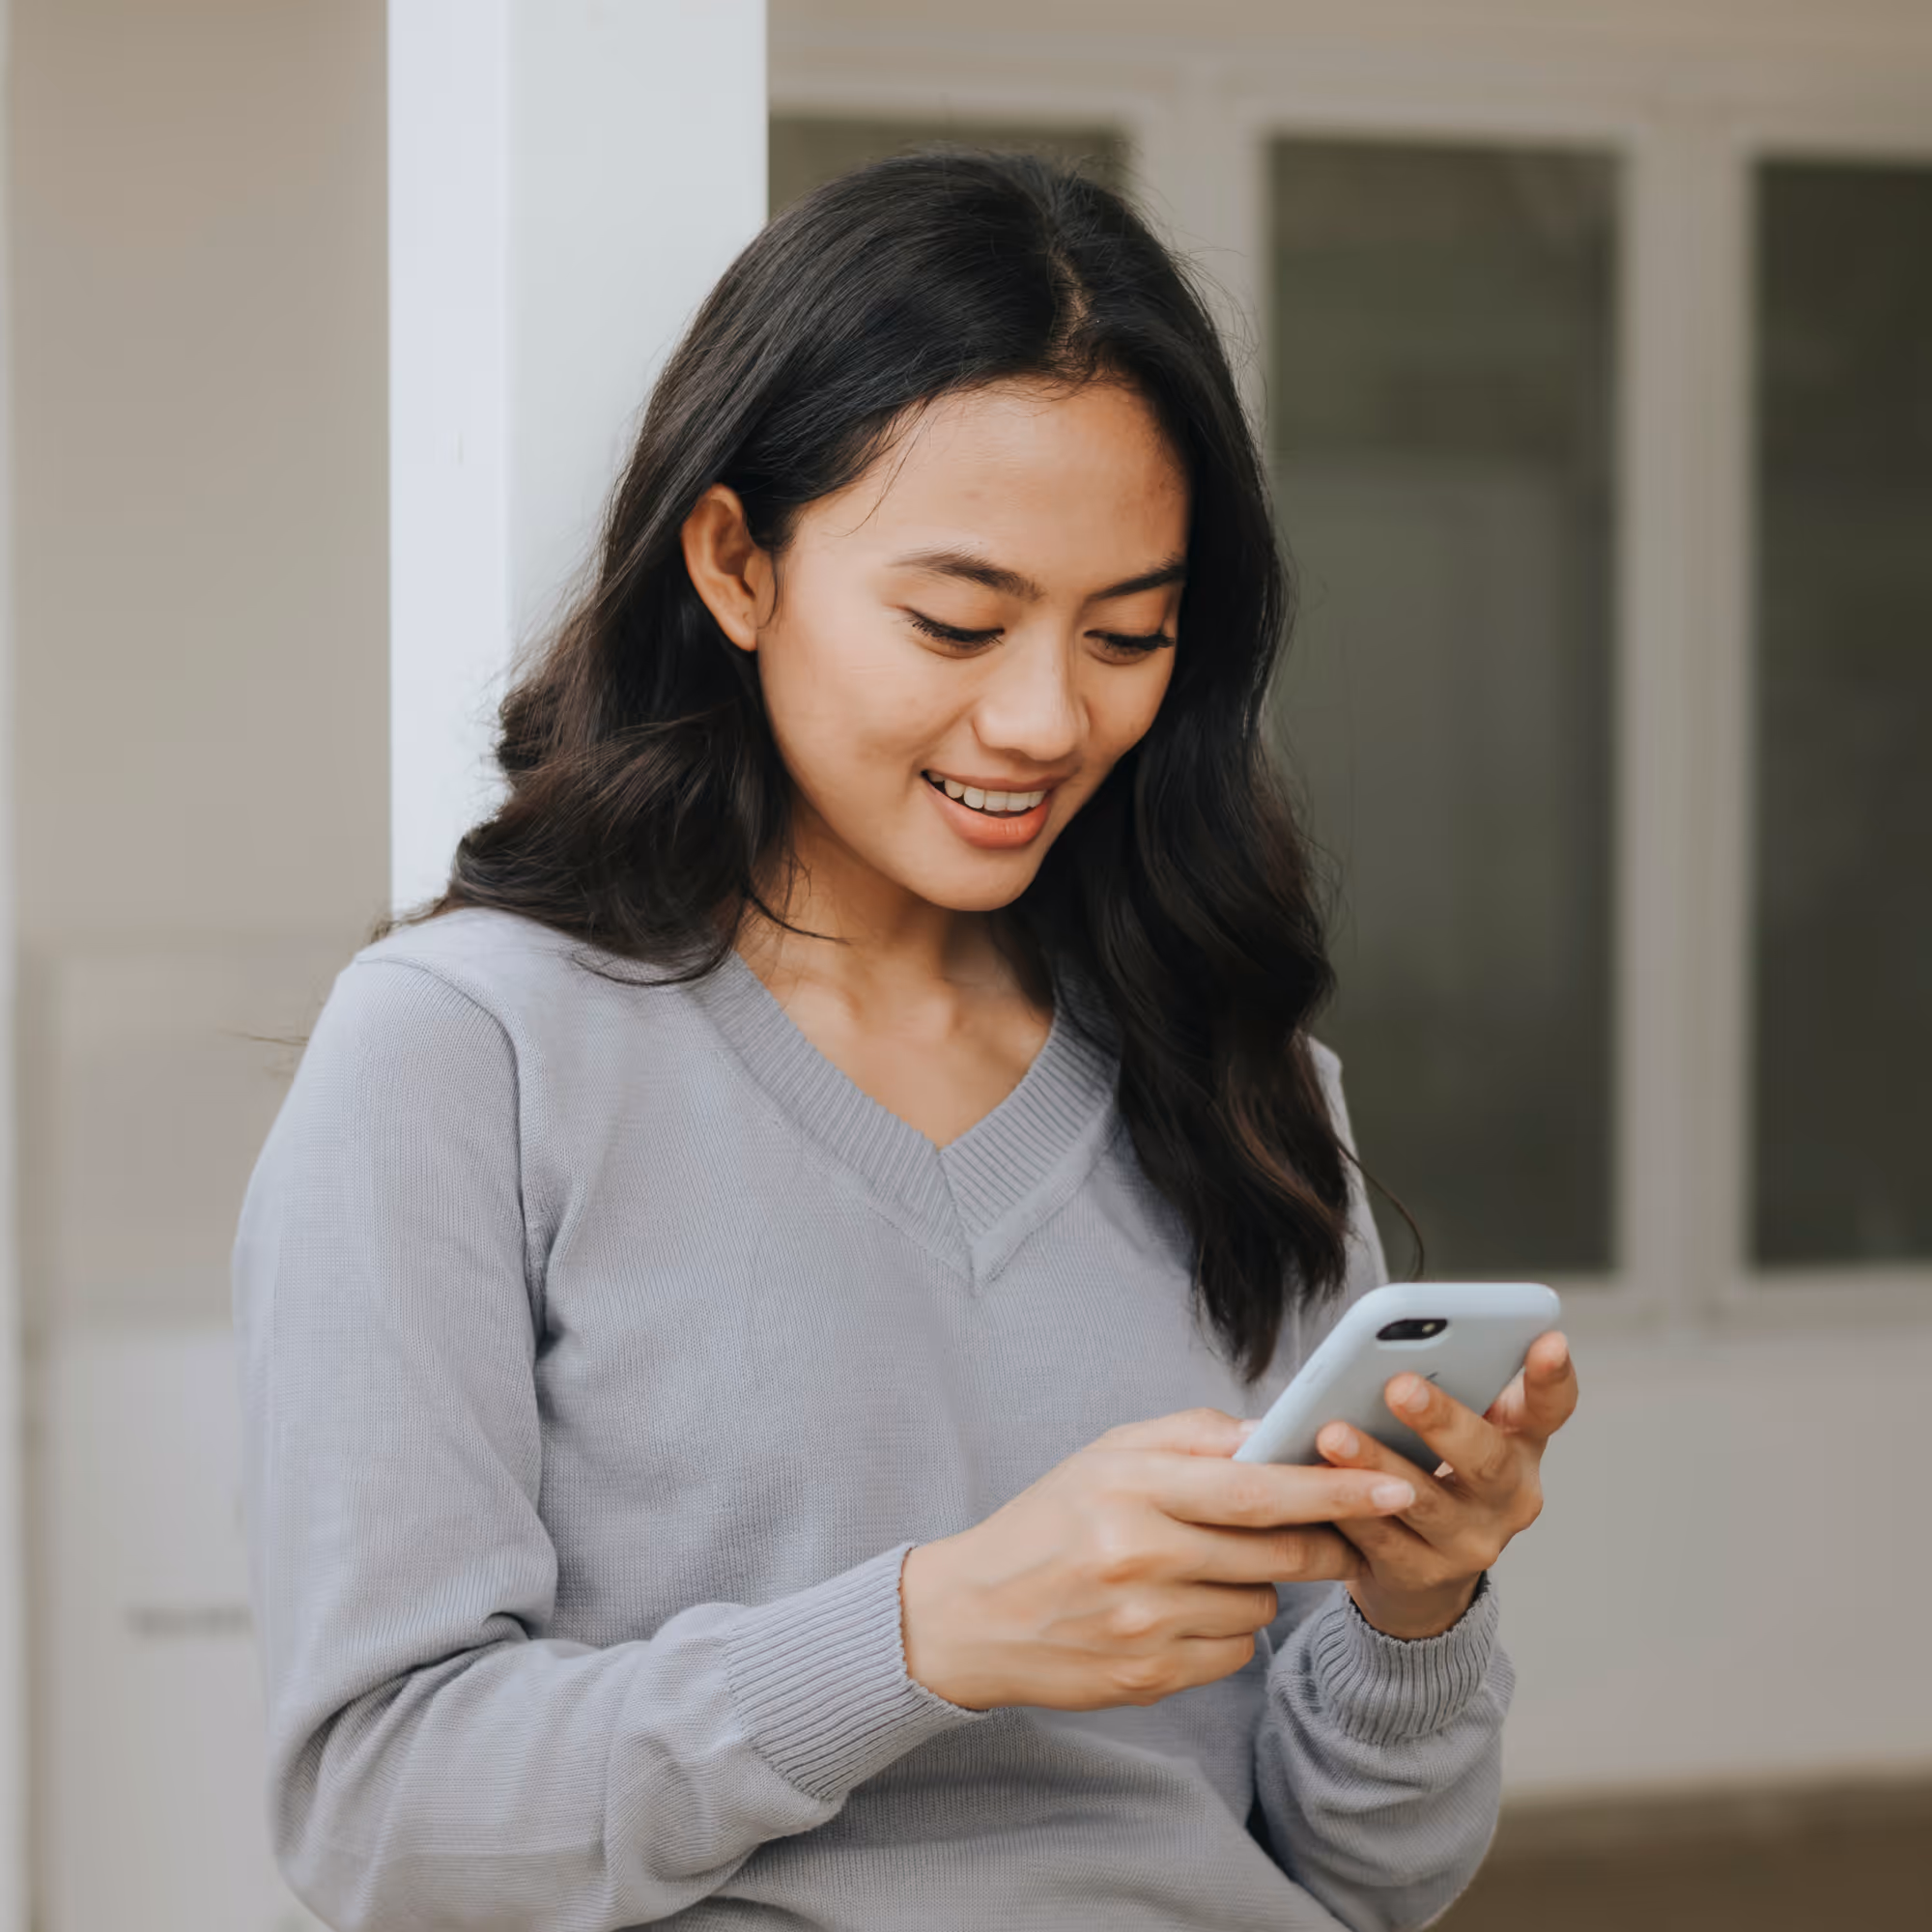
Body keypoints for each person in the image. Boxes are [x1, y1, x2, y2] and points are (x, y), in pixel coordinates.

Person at [234, 151, 1577, 1932]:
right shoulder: (466, 1056)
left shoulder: (1233, 1078)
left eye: (1129, 634)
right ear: (737, 564)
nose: (1043, 719)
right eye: (957, 622)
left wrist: (1417, 1609)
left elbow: (1369, 1878)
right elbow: (384, 1815)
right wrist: (928, 1634)